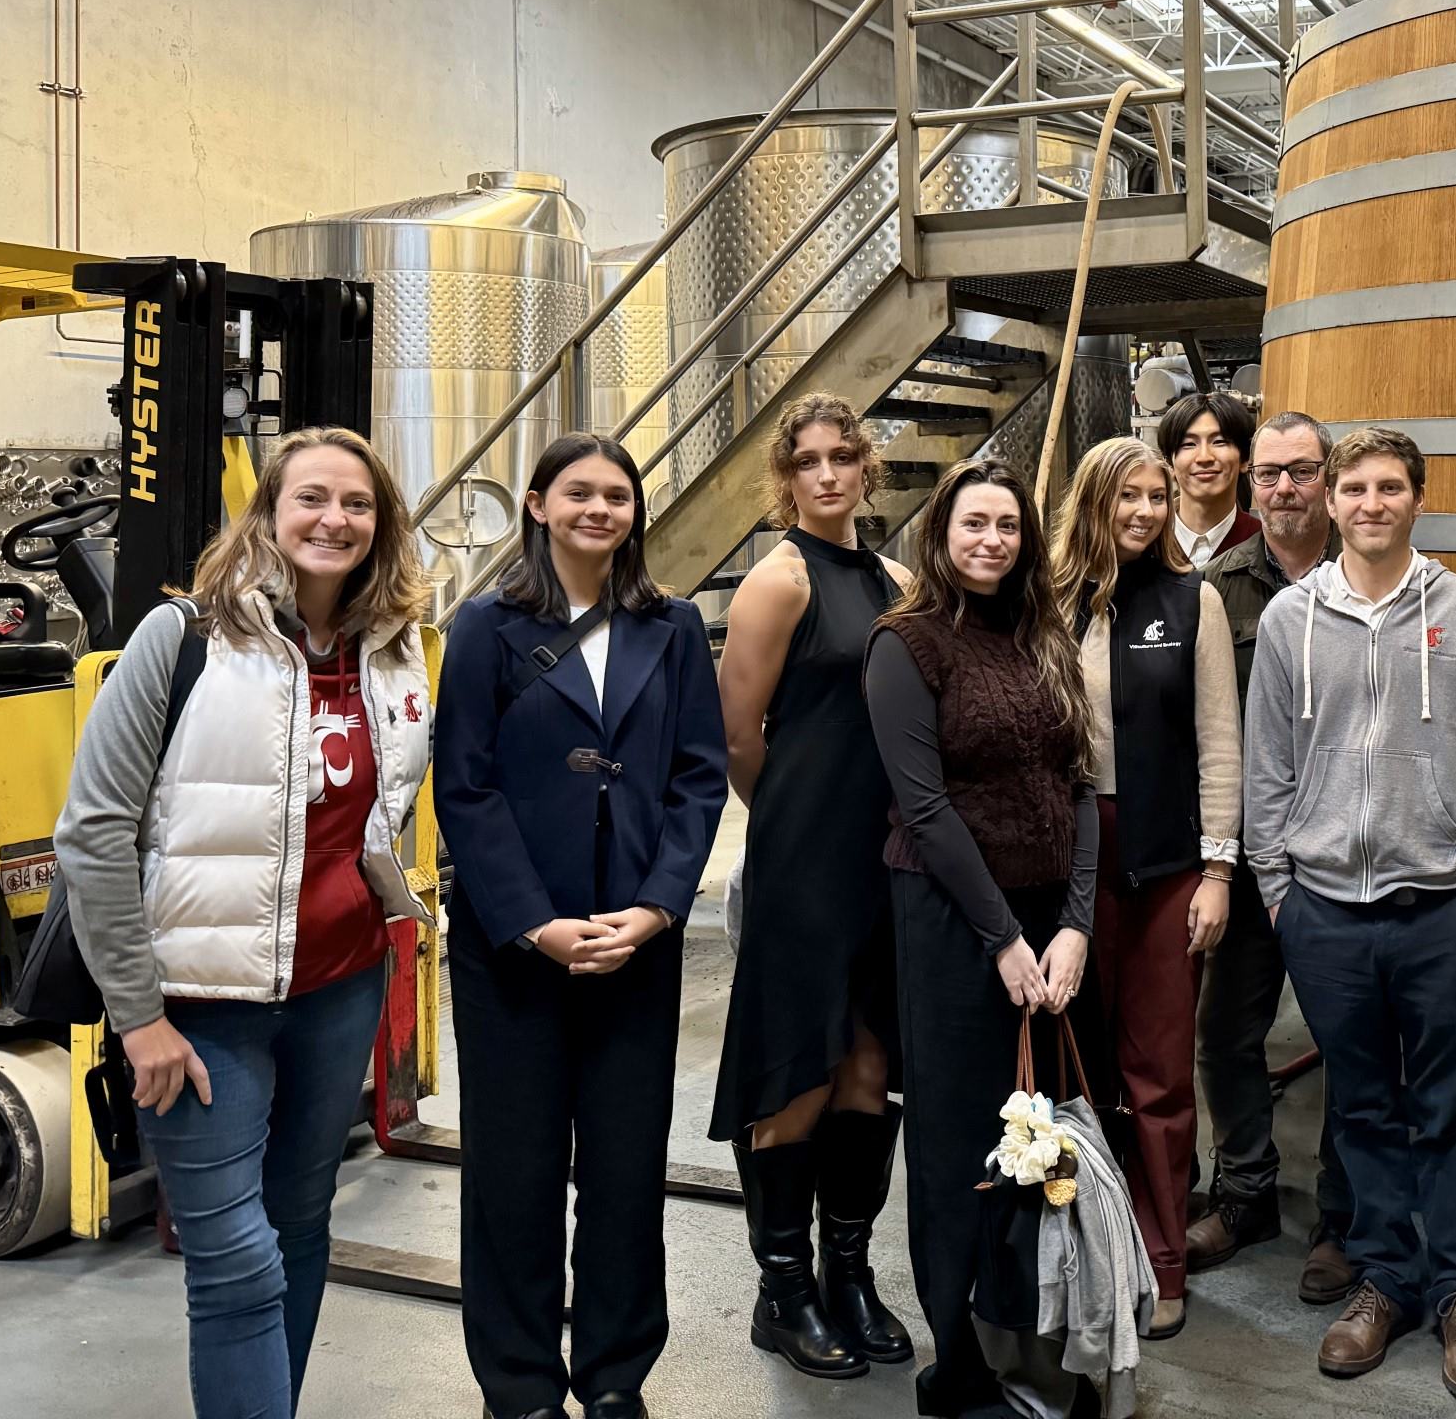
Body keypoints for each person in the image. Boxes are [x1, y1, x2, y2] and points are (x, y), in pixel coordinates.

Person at [55, 427, 433, 1419]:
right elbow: (92, 833)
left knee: (301, 1225)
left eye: (357, 504)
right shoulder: (180, 639)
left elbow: (380, 819)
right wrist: (138, 1018)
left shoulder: (391, 655)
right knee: (234, 1261)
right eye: (312, 498)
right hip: (200, 1011)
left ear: (380, 526)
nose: (334, 519)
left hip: (339, 990)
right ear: (267, 513)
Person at [432, 431, 729, 1419]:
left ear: (635, 514)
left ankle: (612, 1379)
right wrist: (536, 924)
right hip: (513, 953)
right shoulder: (485, 626)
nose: (599, 510)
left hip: (634, 949)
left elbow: (699, 777)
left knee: (623, 1175)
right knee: (512, 1179)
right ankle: (517, 1385)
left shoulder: (674, 627)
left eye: (616, 495)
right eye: (579, 493)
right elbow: (464, 790)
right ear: (537, 504)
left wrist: (655, 908)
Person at [1243, 426, 1456, 1405]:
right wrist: (1282, 895)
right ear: (1330, 502)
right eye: (1354, 488)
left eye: (1388, 488)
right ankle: (1384, 1282)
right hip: (1325, 912)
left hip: (1442, 909)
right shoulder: (1290, 619)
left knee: (1449, 1113)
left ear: (1416, 498)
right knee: (1362, 1109)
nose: (1370, 503)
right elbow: (1267, 774)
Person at [866, 457, 1100, 1419]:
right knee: (960, 1139)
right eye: (975, 524)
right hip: (956, 925)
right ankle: (956, 1367)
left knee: (1038, 1142)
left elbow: (1082, 781)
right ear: (941, 532)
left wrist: (1076, 925)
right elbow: (923, 809)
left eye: (1008, 525)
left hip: (1048, 925)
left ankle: (1024, 1338)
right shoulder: (906, 645)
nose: (992, 540)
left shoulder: (1042, 634)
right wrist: (1004, 939)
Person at [710, 395, 915, 1380]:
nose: (828, 475)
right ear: (786, 478)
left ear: (866, 471)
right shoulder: (776, 581)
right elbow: (738, 736)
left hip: (885, 861)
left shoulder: (898, 579)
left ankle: (849, 1274)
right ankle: (781, 1289)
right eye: (809, 461)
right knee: (796, 1074)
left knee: (868, 1071)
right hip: (804, 860)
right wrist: (795, 820)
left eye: (844, 458)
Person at [1047, 436, 1241, 1339]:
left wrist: (1216, 869)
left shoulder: (1190, 600)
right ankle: (1086, 1250)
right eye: (1128, 495)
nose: (1145, 511)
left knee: (1159, 1073)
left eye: (1157, 497)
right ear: (1092, 499)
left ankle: (1164, 1262)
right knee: (1074, 1071)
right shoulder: (1042, 603)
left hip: (1165, 863)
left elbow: (1220, 743)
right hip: (1067, 864)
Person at [1187, 409, 1355, 1300]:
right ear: (1248, 485)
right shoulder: (1215, 588)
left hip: (1339, 858)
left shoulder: (1364, 576)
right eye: (1268, 475)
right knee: (1223, 1036)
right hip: (1250, 858)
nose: (1283, 488)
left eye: (1301, 471)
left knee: (1349, 1039)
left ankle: (1341, 1218)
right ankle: (1246, 1190)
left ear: (1328, 478)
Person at [1158, 389, 1259, 568]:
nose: (1204, 457)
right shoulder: (1148, 540)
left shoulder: (1264, 544)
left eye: (1219, 442)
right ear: (1169, 464)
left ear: (1245, 459)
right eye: (1188, 444)